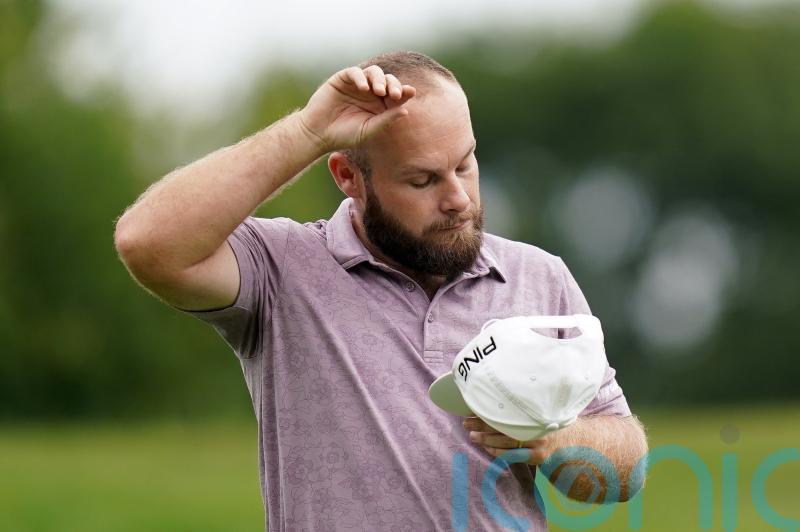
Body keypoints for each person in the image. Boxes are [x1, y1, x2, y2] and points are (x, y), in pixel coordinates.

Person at [114, 51, 648, 531]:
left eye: (465, 163)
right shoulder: (282, 269)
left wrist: (554, 442)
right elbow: (148, 243)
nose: (459, 198)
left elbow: (626, 464)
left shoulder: (538, 276)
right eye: (423, 181)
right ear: (348, 176)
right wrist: (307, 131)